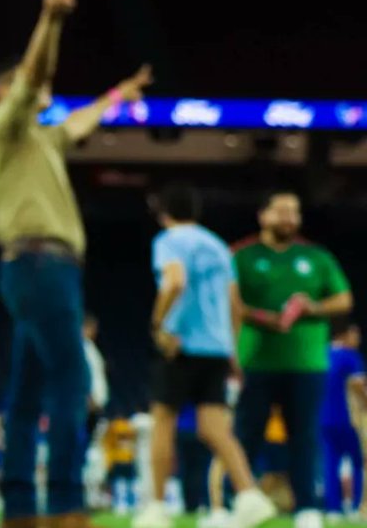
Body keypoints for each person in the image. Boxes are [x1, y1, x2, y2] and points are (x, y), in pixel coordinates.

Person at [0, 0, 152, 528]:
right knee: (71, 380)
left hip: (42, 268)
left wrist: (122, 93)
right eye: (23, 85)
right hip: (41, 264)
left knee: (26, 393)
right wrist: (51, 18)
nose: (41, 89)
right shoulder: (1, 126)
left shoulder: (40, 139)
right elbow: (32, 78)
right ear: (3, 93)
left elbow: (80, 123)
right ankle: (68, 502)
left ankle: (21, 506)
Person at [134, 184, 276, 528]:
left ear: (163, 214)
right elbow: (235, 304)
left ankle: (155, 509)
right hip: (217, 347)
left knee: (163, 422)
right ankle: (249, 496)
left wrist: (158, 324)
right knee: (215, 428)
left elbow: (175, 282)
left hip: (182, 344)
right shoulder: (217, 246)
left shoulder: (169, 241)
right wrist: (232, 348)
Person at [233, 191, 352, 528]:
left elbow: (344, 299)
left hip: (307, 364)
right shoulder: (242, 256)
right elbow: (229, 303)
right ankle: (238, 504)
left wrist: (313, 307)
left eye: (294, 212)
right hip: (255, 362)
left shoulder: (316, 257)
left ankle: (307, 510)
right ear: (263, 215)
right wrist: (262, 317)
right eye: (281, 211)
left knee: (304, 437)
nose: (289, 218)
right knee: (246, 436)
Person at [321, 318, 367, 516]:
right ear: (344, 334)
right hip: (349, 419)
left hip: (323, 419)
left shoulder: (321, 354)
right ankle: (357, 506)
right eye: (356, 335)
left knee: (330, 462)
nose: (358, 340)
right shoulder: (351, 357)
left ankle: (333, 508)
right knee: (358, 462)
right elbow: (358, 385)